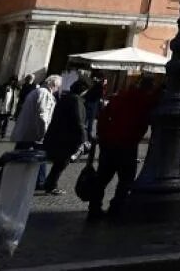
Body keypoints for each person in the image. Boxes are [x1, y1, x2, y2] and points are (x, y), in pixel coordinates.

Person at [87, 77, 154, 221]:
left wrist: (102, 136)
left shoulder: (120, 97)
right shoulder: (142, 101)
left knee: (102, 178)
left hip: (108, 143)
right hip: (127, 144)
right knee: (126, 179)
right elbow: (143, 123)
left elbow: (104, 116)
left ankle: (94, 208)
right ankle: (116, 208)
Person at [41, 80, 87, 194]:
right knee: (62, 162)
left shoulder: (66, 98)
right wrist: (83, 138)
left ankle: (49, 183)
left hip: (58, 134)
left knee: (59, 162)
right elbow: (78, 121)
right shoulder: (76, 100)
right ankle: (51, 185)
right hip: (67, 137)